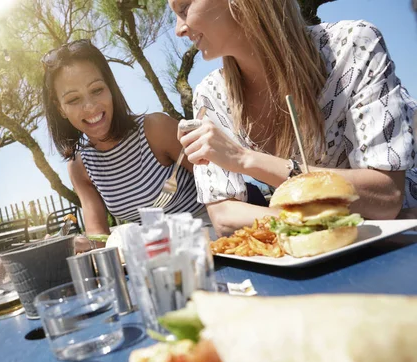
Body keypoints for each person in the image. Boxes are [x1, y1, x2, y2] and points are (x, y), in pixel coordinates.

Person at [169, 0, 417, 235]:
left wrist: (245, 160)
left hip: (397, 240)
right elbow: (225, 217)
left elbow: (386, 197)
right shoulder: (209, 94)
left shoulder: (353, 45)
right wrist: (308, 225)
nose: (179, 30)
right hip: (308, 257)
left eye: (184, 7)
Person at [41, 39, 208, 237]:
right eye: (73, 99)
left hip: (211, 234)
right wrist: (77, 243)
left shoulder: (155, 129)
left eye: (97, 90)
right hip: (159, 252)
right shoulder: (79, 167)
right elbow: (98, 236)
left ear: (110, 88)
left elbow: (221, 185)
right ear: (60, 107)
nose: (90, 107)